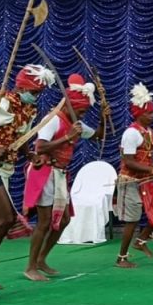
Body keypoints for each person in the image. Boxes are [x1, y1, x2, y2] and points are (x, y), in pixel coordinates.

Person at [0, 64, 55, 292]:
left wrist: (30, 155)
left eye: (39, 93)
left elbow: (21, 136)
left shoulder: (29, 108)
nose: (36, 96)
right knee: (5, 219)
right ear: (22, 87)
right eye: (34, 92)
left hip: (5, 169)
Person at [22, 79, 96, 281]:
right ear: (71, 107)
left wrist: (105, 119)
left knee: (63, 220)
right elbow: (40, 147)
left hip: (60, 174)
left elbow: (98, 135)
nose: (82, 115)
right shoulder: (53, 119)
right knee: (44, 221)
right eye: (81, 111)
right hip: (44, 172)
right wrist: (68, 137)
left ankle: (41, 259)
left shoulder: (76, 123)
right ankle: (30, 266)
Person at [115, 83, 153, 267]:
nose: (152, 116)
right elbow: (129, 162)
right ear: (139, 114)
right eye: (149, 113)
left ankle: (140, 241)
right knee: (132, 220)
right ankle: (121, 258)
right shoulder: (131, 133)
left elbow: (145, 159)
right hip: (130, 181)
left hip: (144, 180)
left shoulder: (148, 132)